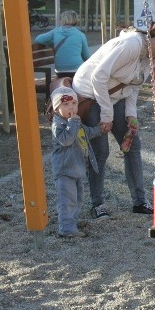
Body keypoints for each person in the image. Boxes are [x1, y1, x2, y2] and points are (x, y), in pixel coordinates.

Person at [73, 18, 155, 219]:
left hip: (113, 96)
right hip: (91, 94)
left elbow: (134, 86)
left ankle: (139, 201)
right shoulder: (131, 44)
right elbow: (98, 77)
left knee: (132, 145)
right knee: (101, 151)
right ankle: (97, 204)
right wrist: (107, 115)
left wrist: (131, 115)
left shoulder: (151, 57)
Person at [50, 86, 102, 238]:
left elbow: (85, 133)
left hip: (78, 167)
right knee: (67, 200)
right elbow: (66, 140)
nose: (71, 108)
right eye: (65, 105)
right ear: (56, 109)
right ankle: (66, 228)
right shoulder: (58, 125)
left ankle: (72, 221)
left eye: (73, 104)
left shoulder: (75, 122)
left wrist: (100, 129)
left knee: (78, 198)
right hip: (65, 169)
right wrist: (73, 123)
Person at [34, 10, 90, 79]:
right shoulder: (80, 35)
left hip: (60, 71)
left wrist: (53, 43)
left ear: (63, 20)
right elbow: (87, 57)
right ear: (76, 20)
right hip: (75, 71)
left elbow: (38, 39)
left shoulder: (56, 31)